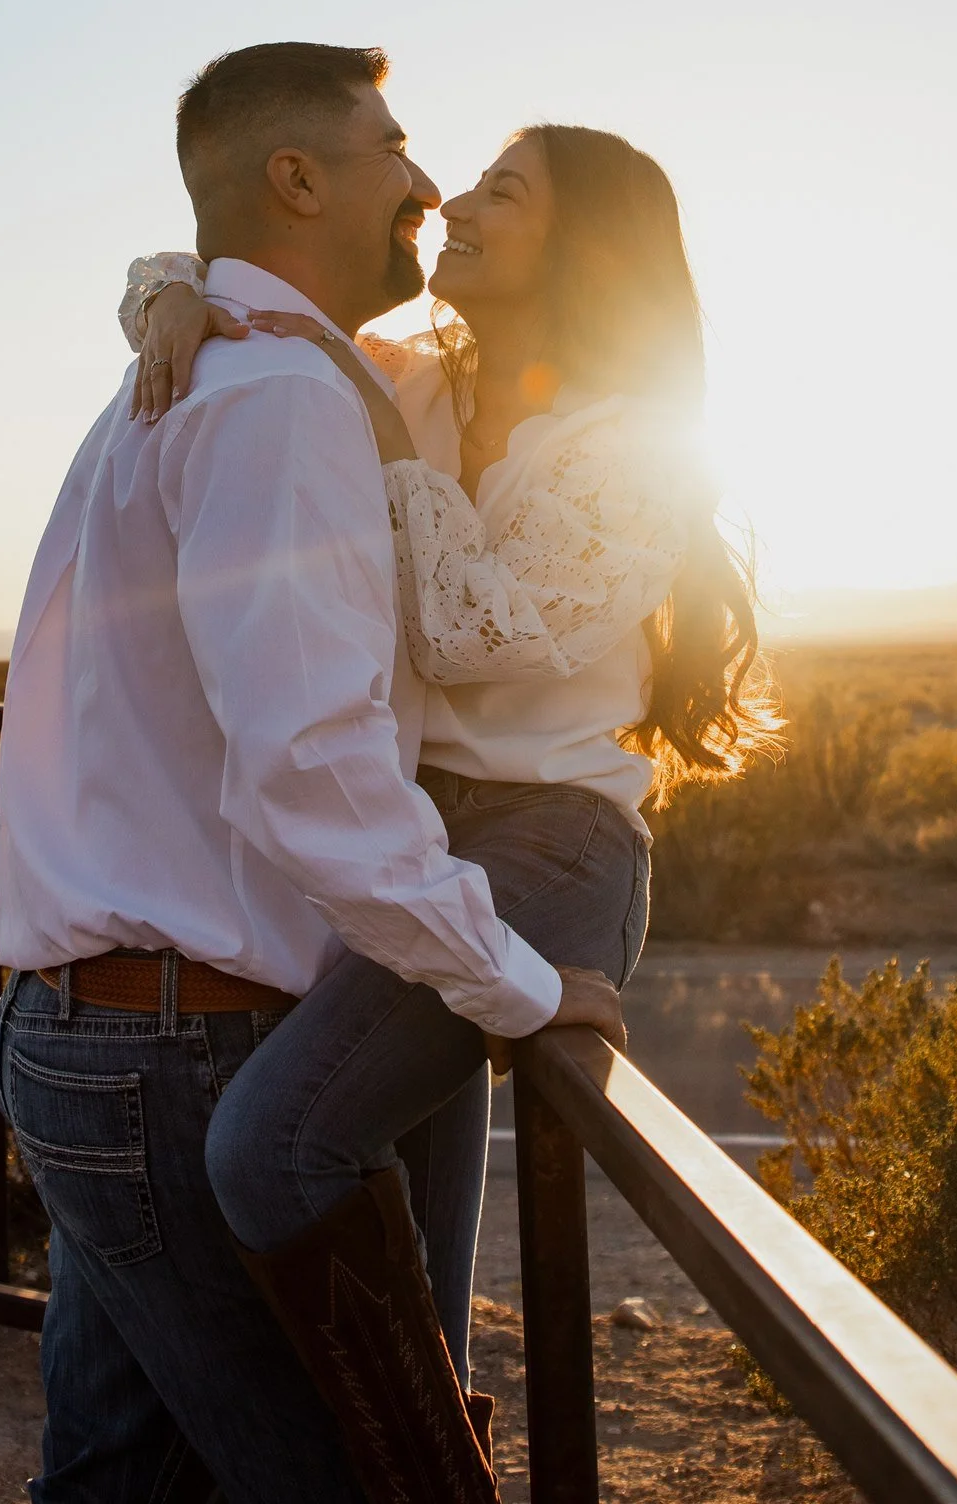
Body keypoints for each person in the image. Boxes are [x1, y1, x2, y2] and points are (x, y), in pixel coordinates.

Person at [0, 43, 626, 1504]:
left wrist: (174, 285)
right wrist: (520, 984)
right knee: (372, 1478)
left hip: (93, 1035)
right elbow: (315, 770)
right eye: (395, 145)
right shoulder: (274, 396)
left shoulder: (225, 370)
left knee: (118, 1482)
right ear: (297, 178)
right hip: (177, 1056)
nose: (426, 181)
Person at [124, 119, 780, 1473]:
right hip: (410, 834)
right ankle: (422, 1456)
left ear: (580, 246)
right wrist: (171, 296)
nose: (455, 206)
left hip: (551, 848)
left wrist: (382, 439)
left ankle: (425, 1483)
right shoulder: (418, 372)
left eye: (501, 191)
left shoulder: (633, 446)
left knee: (274, 1145)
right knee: (415, 1266)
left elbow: (476, 631)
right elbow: (203, 275)